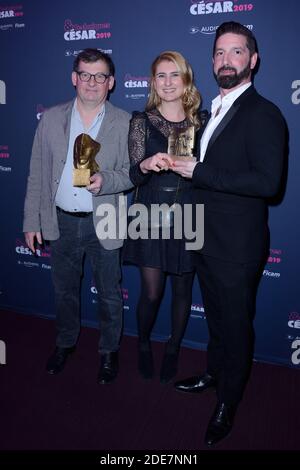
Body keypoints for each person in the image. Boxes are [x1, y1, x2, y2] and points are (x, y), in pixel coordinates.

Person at [172, 22, 286, 445]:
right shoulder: (210, 111)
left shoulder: (264, 113)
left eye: (236, 52)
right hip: (204, 235)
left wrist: (201, 171)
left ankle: (228, 401)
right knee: (217, 319)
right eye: (219, 52)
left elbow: (268, 183)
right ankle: (214, 373)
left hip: (237, 246)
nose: (226, 60)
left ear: (252, 61)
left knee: (236, 325)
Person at [23, 48, 133, 384]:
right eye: (85, 74)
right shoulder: (51, 119)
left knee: (110, 293)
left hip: (106, 218)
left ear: (110, 83)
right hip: (62, 221)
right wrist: (31, 221)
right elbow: (37, 174)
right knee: (65, 290)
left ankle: (109, 351)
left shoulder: (126, 122)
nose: (91, 82)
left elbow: (133, 173)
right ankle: (65, 342)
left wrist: (107, 180)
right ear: (74, 78)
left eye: (100, 76)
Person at [123, 51, 205, 384]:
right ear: (153, 81)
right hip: (150, 210)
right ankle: (143, 344)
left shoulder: (204, 120)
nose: (168, 82)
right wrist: (144, 164)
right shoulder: (141, 121)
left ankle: (172, 348)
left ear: (186, 79)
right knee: (153, 292)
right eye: (161, 75)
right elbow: (134, 175)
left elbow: (211, 172)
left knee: (184, 289)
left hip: (189, 208)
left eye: (174, 75)